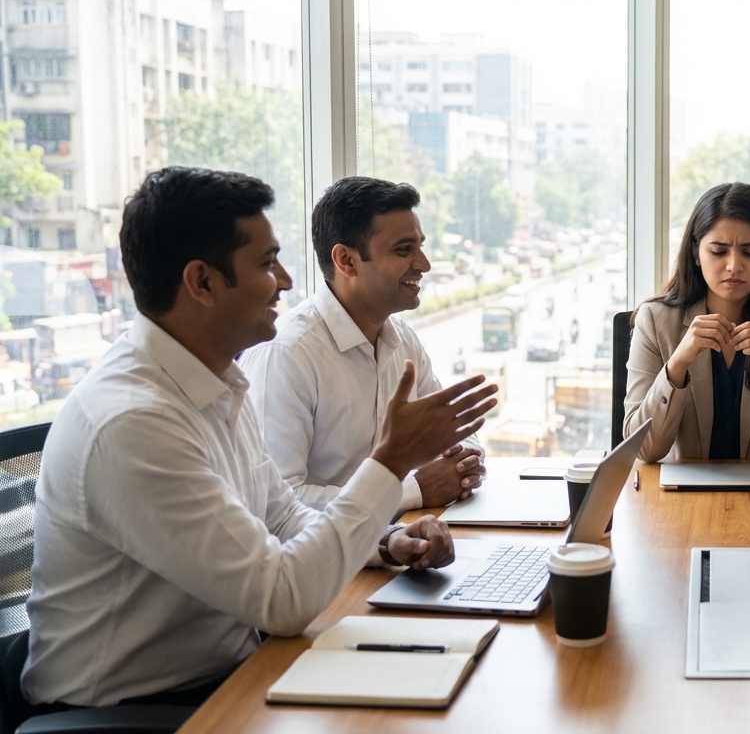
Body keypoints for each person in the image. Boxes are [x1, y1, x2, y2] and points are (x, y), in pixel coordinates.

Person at [22, 167, 497, 709]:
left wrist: (386, 543)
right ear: (202, 282)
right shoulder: (132, 424)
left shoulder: (217, 382)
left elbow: (284, 518)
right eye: (268, 263)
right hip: (134, 712)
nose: (289, 281)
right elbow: (282, 599)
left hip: (231, 672)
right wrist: (391, 464)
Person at [242, 177, 487, 513]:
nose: (424, 264)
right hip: (330, 563)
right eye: (404, 250)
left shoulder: (402, 339)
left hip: (395, 543)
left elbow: (453, 433)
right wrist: (412, 491)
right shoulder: (286, 355)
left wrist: (463, 463)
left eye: (420, 246)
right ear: (347, 261)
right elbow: (276, 504)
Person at [624, 182, 750, 462]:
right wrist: (677, 364)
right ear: (696, 253)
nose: (734, 266)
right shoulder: (655, 320)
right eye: (718, 252)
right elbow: (643, 450)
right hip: (680, 500)